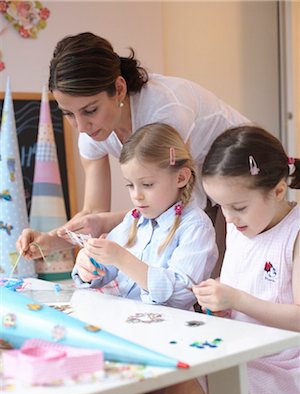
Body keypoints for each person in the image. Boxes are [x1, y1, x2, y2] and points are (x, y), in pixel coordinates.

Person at [115, 125, 300, 394]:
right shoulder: (241, 225)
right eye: (221, 206)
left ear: (278, 190)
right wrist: (219, 306)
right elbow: (235, 303)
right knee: (145, 369)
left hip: (282, 364)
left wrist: (237, 300)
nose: (228, 218)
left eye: (238, 207)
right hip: (239, 345)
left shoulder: (294, 233)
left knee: (184, 387)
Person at [16, 31, 248, 261]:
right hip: (198, 190)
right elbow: (94, 212)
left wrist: (107, 224)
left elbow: (173, 205)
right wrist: (52, 241)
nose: (82, 126)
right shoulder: (92, 132)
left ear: (119, 89)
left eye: (90, 110)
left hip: (242, 172)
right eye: (68, 114)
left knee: (211, 277)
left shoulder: (164, 111)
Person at [58, 122, 218, 394]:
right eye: (130, 185)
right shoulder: (134, 220)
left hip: (169, 347)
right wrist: (88, 267)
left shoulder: (195, 225)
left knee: (126, 388)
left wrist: (122, 259)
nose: (136, 196)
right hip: (129, 339)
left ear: (181, 177)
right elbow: (106, 273)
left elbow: (178, 290)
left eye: (146, 184)